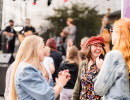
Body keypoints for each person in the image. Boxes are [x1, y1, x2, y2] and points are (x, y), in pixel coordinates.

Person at [8, 35, 70, 100]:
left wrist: (59, 82)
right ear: (34, 50)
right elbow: (46, 96)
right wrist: (60, 84)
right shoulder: (27, 70)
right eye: (42, 47)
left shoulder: (28, 68)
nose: (45, 51)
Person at [94, 18, 130, 100]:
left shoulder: (114, 56)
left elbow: (99, 89)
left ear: (120, 33)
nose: (111, 33)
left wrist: (103, 68)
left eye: (112, 30)